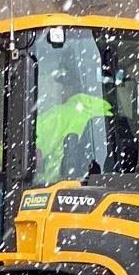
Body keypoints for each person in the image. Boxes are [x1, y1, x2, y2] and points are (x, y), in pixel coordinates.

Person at [33, 52, 113, 184]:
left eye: (59, 86)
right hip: (106, 185)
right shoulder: (108, 115)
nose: (56, 93)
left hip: (59, 188)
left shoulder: (59, 116)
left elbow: (21, 150)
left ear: (69, 88)